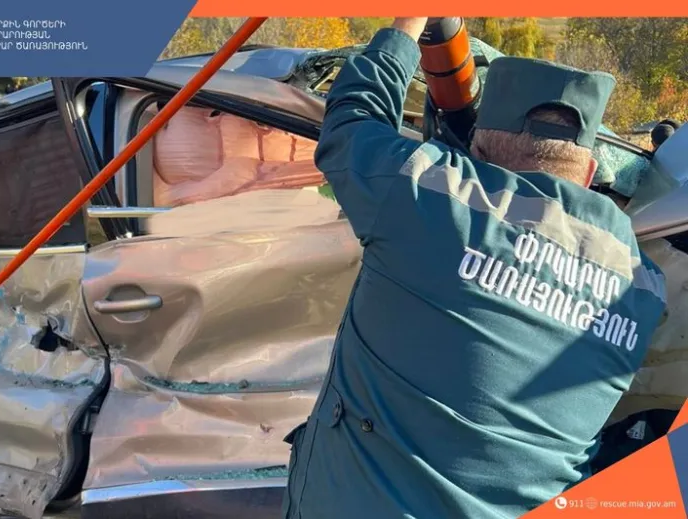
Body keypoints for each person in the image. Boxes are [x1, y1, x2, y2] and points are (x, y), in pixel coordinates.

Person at [281, 17, 668, 519]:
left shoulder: (432, 199)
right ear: (590, 171)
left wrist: (407, 22)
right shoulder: (645, 289)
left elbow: (351, 122)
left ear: (477, 152)